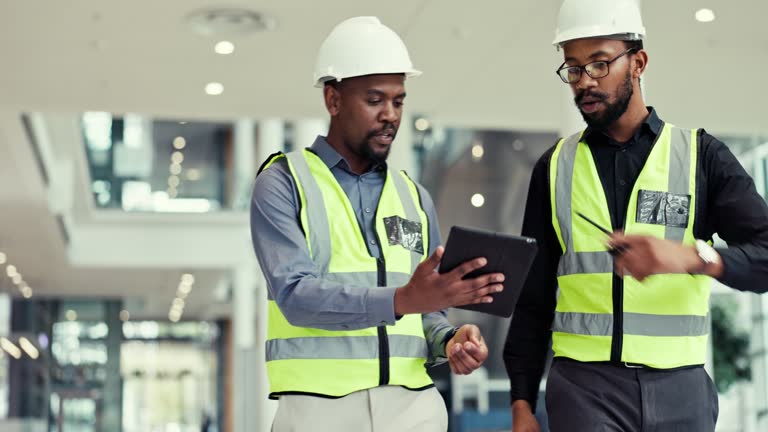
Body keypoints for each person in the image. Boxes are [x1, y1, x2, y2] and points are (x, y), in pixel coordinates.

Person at [503, 0, 768, 431]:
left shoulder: (701, 157)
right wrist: (521, 404)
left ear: (638, 62)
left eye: (600, 64)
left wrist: (693, 258)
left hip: (681, 386)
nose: (584, 82)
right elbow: (533, 299)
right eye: (573, 68)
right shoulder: (553, 168)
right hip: (584, 388)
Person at [251, 16, 504, 432]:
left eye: (399, 101)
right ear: (333, 100)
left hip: (414, 409)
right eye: (374, 100)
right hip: (319, 412)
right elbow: (296, 296)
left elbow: (428, 312)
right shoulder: (283, 182)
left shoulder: (414, 196)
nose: (390, 115)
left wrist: (450, 340)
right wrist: (402, 300)